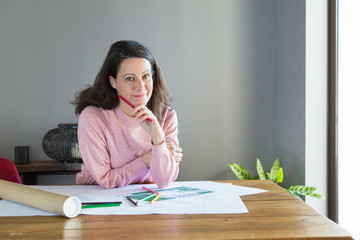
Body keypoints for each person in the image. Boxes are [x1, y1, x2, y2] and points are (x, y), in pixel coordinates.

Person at [72, 40, 182, 189]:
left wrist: (158, 138)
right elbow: (106, 180)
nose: (141, 86)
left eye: (146, 76)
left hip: (146, 197)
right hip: (98, 196)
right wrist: (150, 157)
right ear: (113, 82)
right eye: (130, 78)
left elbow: (164, 182)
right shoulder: (93, 117)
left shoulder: (167, 116)